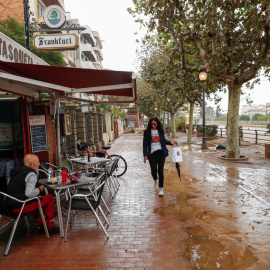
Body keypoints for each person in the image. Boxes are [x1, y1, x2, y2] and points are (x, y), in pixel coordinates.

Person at [6, 154, 59, 235]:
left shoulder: (17, 171)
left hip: (8, 206)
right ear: (31, 164)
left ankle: (40, 224)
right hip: (19, 207)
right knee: (50, 198)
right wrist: (40, 189)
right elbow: (29, 193)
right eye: (37, 162)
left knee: (37, 197)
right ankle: (49, 226)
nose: (39, 164)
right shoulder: (31, 174)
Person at [143, 117, 177, 196]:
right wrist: (145, 155)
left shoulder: (160, 131)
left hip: (161, 152)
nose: (153, 125)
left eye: (155, 124)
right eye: (151, 124)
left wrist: (170, 142)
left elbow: (163, 141)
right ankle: (155, 179)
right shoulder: (147, 132)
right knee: (153, 170)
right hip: (152, 154)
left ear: (157, 124)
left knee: (160, 171)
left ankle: (161, 188)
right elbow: (145, 144)